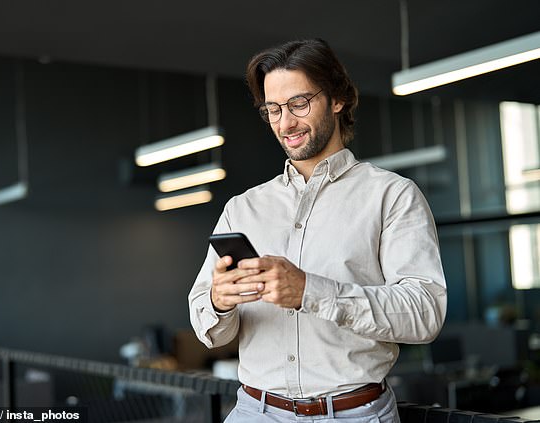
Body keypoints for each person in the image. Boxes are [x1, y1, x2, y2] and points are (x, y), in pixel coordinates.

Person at [188, 38, 447, 422]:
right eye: (273, 109)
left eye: (299, 104)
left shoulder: (391, 196)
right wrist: (219, 303)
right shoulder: (243, 208)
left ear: (338, 99)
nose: (285, 123)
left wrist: (312, 291)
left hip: (352, 414)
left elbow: (425, 312)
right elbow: (207, 324)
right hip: (254, 412)